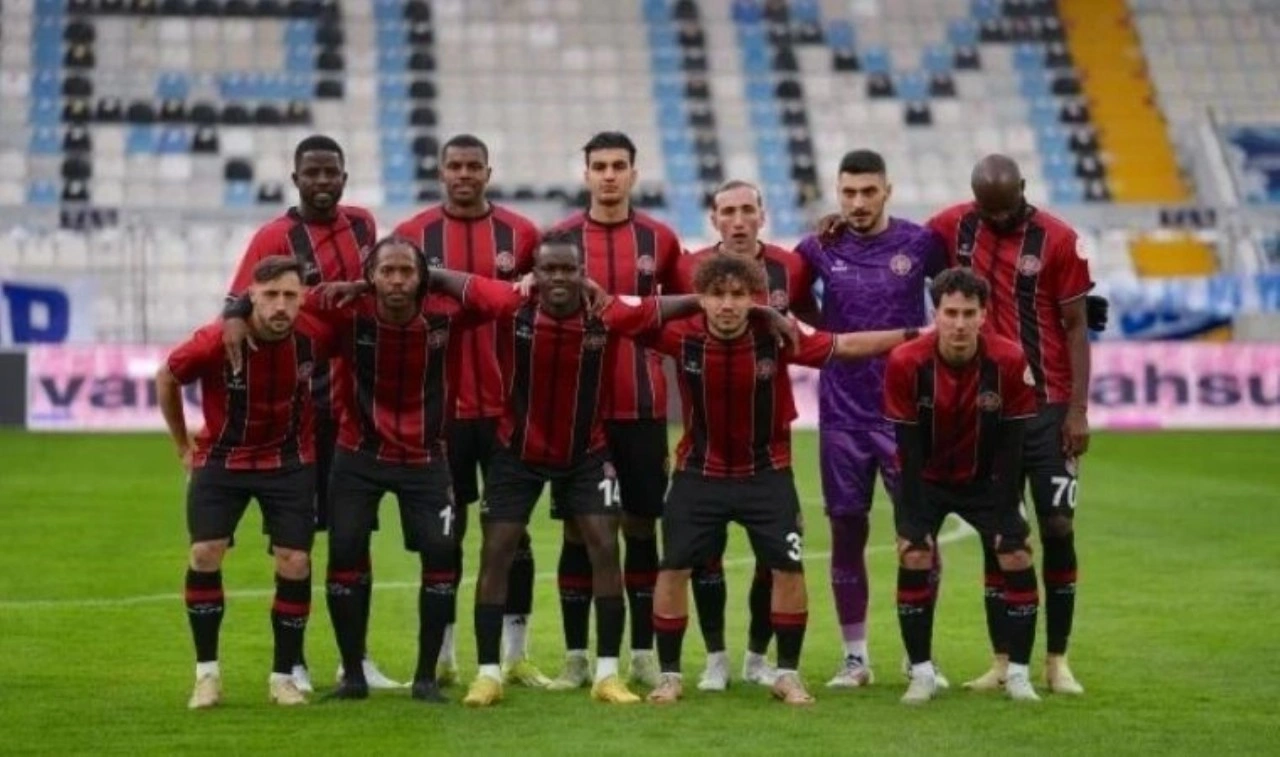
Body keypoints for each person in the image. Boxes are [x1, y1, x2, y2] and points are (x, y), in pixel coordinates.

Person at [645, 253, 924, 707]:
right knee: (673, 567)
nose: (728, 304)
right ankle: (670, 676)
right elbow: (623, 316)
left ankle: (787, 675)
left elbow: (846, 346)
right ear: (702, 298)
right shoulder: (681, 335)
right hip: (698, 473)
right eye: (717, 295)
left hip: (767, 473)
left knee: (788, 569)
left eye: (739, 295)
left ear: (754, 297)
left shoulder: (778, 336)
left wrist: (916, 333)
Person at [461, 231, 716, 707]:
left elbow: (666, 307)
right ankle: (488, 673)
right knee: (497, 551)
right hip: (516, 451)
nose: (559, 277)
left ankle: (607, 675)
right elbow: (451, 282)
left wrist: (722, 300)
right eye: (549, 269)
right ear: (534, 274)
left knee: (605, 546)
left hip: (586, 454)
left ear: (583, 273)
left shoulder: (607, 312)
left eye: (568, 269)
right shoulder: (511, 305)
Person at [285, 237, 536, 703]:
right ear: (371, 276)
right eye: (387, 272)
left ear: (421, 277)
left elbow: (504, 301)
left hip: (426, 459)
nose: (397, 281)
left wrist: (436, 276)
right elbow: (287, 302)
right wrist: (353, 286)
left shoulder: (445, 311)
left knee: (440, 557)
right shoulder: (349, 310)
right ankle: (353, 676)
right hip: (358, 456)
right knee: (345, 555)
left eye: (407, 272)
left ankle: (425, 679)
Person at [220, 135, 398, 692]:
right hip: (300, 415)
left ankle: (355, 659)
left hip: (355, 411)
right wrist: (232, 322)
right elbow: (237, 301)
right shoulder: (273, 236)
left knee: (353, 539)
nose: (322, 181)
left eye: (331, 172)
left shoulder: (363, 224)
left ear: (344, 176)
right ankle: (292, 663)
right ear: (295, 178)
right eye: (312, 173)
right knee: (293, 545)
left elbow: (377, 283)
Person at [925, 155, 1093, 694]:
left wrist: (1077, 410)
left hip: (1047, 405)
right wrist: (838, 223)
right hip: (989, 409)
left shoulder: (1059, 240)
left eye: (1005, 208)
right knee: (998, 532)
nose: (996, 219)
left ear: (1023, 187)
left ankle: (1057, 660)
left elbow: (1076, 326)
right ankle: (1002, 661)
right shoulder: (954, 225)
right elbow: (897, 243)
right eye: (987, 210)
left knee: (1058, 526)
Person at [392, 134, 549, 688]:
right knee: (447, 535)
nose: (463, 174)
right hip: (443, 413)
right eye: (454, 166)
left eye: (473, 166)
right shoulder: (413, 235)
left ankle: (516, 654)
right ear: (441, 172)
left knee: (513, 534)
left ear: (488, 172)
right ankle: (445, 655)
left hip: (507, 408)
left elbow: (545, 295)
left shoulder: (521, 234)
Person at [794, 150, 947, 689]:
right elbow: (794, 300)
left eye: (868, 192)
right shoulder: (818, 247)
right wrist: (828, 336)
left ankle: (919, 655)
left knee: (919, 535)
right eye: (848, 193)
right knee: (845, 532)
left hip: (907, 414)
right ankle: (855, 658)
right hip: (842, 413)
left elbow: (956, 296)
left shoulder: (920, 243)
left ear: (888, 191)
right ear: (837, 193)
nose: (857, 203)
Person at [158, 257, 334, 709]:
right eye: (270, 295)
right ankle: (206, 676)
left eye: (290, 295)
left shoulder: (317, 334)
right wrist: (181, 446)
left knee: (296, 561)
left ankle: (283, 677)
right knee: (204, 553)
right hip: (222, 459)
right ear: (251, 296)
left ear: (303, 298)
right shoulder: (215, 340)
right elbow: (168, 376)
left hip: (289, 461)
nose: (280, 305)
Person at [546, 132, 683, 690]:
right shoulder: (559, 240)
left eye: (618, 165)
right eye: (599, 166)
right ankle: (576, 656)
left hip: (642, 406)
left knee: (641, 527)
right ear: (585, 174)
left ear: (633, 173)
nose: (608, 175)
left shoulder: (661, 240)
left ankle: (644, 653)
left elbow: (684, 313)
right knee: (578, 531)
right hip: (577, 414)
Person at [669, 179, 817, 691]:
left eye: (747, 210)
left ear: (762, 214)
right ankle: (715, 658)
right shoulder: (687, 267)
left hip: (768, 437)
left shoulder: (792, 267)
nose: (738, 220)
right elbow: (660, 315)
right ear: (713, 219)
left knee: (773, 560)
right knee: (702, 555)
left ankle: (758, 656)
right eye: (727, 211)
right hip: (705, 441)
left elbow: (813, 324)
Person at [884, 267, 1043, 704]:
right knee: (914, 553)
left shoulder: (1009, 360)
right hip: (926, 479)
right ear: (935, 314)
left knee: (1016, 553)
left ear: (983, 315)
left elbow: (1013, 445)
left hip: (988, 481)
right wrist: (913, 520)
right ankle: (921, 673)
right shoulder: (905, 362)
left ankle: (1018, 674)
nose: (958, 323)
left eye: (968, 313)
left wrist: (1008, 513)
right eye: (950, 313)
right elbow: (907, 447)